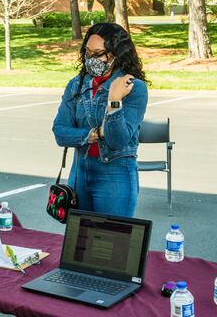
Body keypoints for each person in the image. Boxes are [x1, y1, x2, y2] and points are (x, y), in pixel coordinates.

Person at [52, 23, 149, 217]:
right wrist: (94, 134)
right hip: (80, 172)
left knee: (112, 241)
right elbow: (60, 132)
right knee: (78, 241)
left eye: (98, 53)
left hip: (116, 174)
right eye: (87, 52)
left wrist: (114, 100)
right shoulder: (77, 84)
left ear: (115, 54)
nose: (91, 59)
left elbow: (117, 140)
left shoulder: (133, 88)